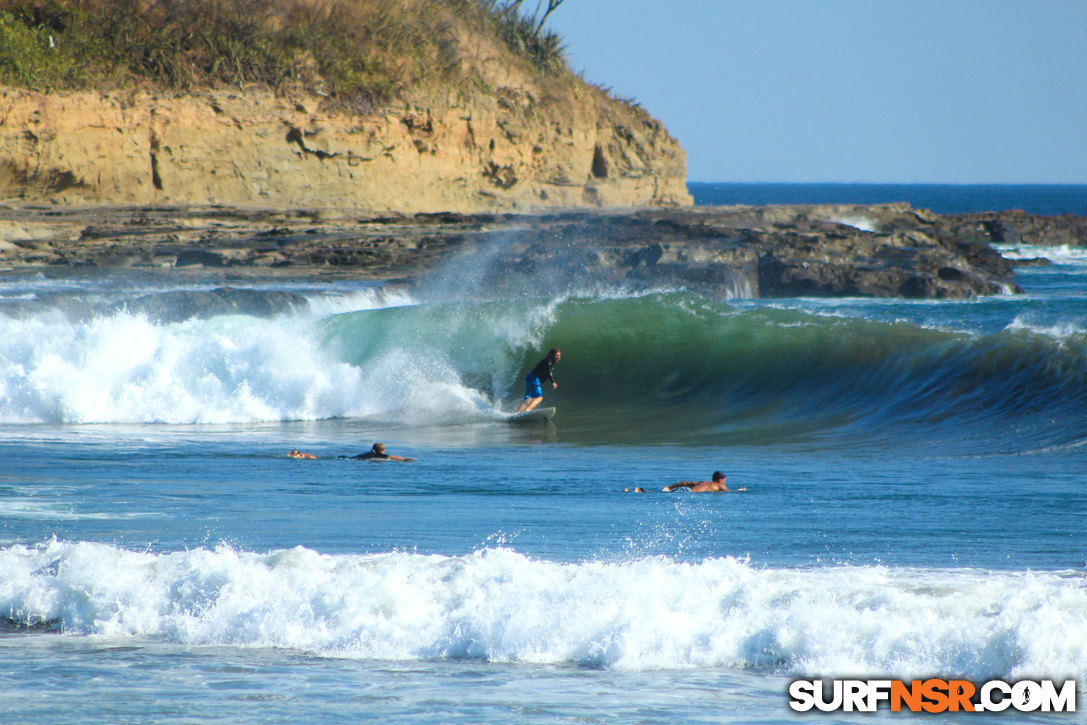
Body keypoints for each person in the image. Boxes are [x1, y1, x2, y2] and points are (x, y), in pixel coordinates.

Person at [515, 348, 561, 413]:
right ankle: (526, 411)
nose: (558, 357)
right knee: (539, 397)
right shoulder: (548, 361)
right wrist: (553, 382)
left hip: (529, 378)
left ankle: (516, 413)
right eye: (556, 355)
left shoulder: (546, 362)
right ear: (551, 355)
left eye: (559, 356)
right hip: (534, 378)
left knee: (529, 399)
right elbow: (548, 372)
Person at [663, 471, 745, 493]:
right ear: (720, 480)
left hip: (684, 489)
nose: (724, 483)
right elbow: (729, 492)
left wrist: (669, 487)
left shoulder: (702, 482)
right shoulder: (719, 485)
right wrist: (740, 490)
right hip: (688, 492)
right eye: (724, 481)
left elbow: (684, 483)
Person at [348, 442, 415, 462]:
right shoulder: (380, 455)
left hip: (355, 458)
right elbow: (391, 457)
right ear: (381, 451)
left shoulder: (368, 453)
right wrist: (405, 459)